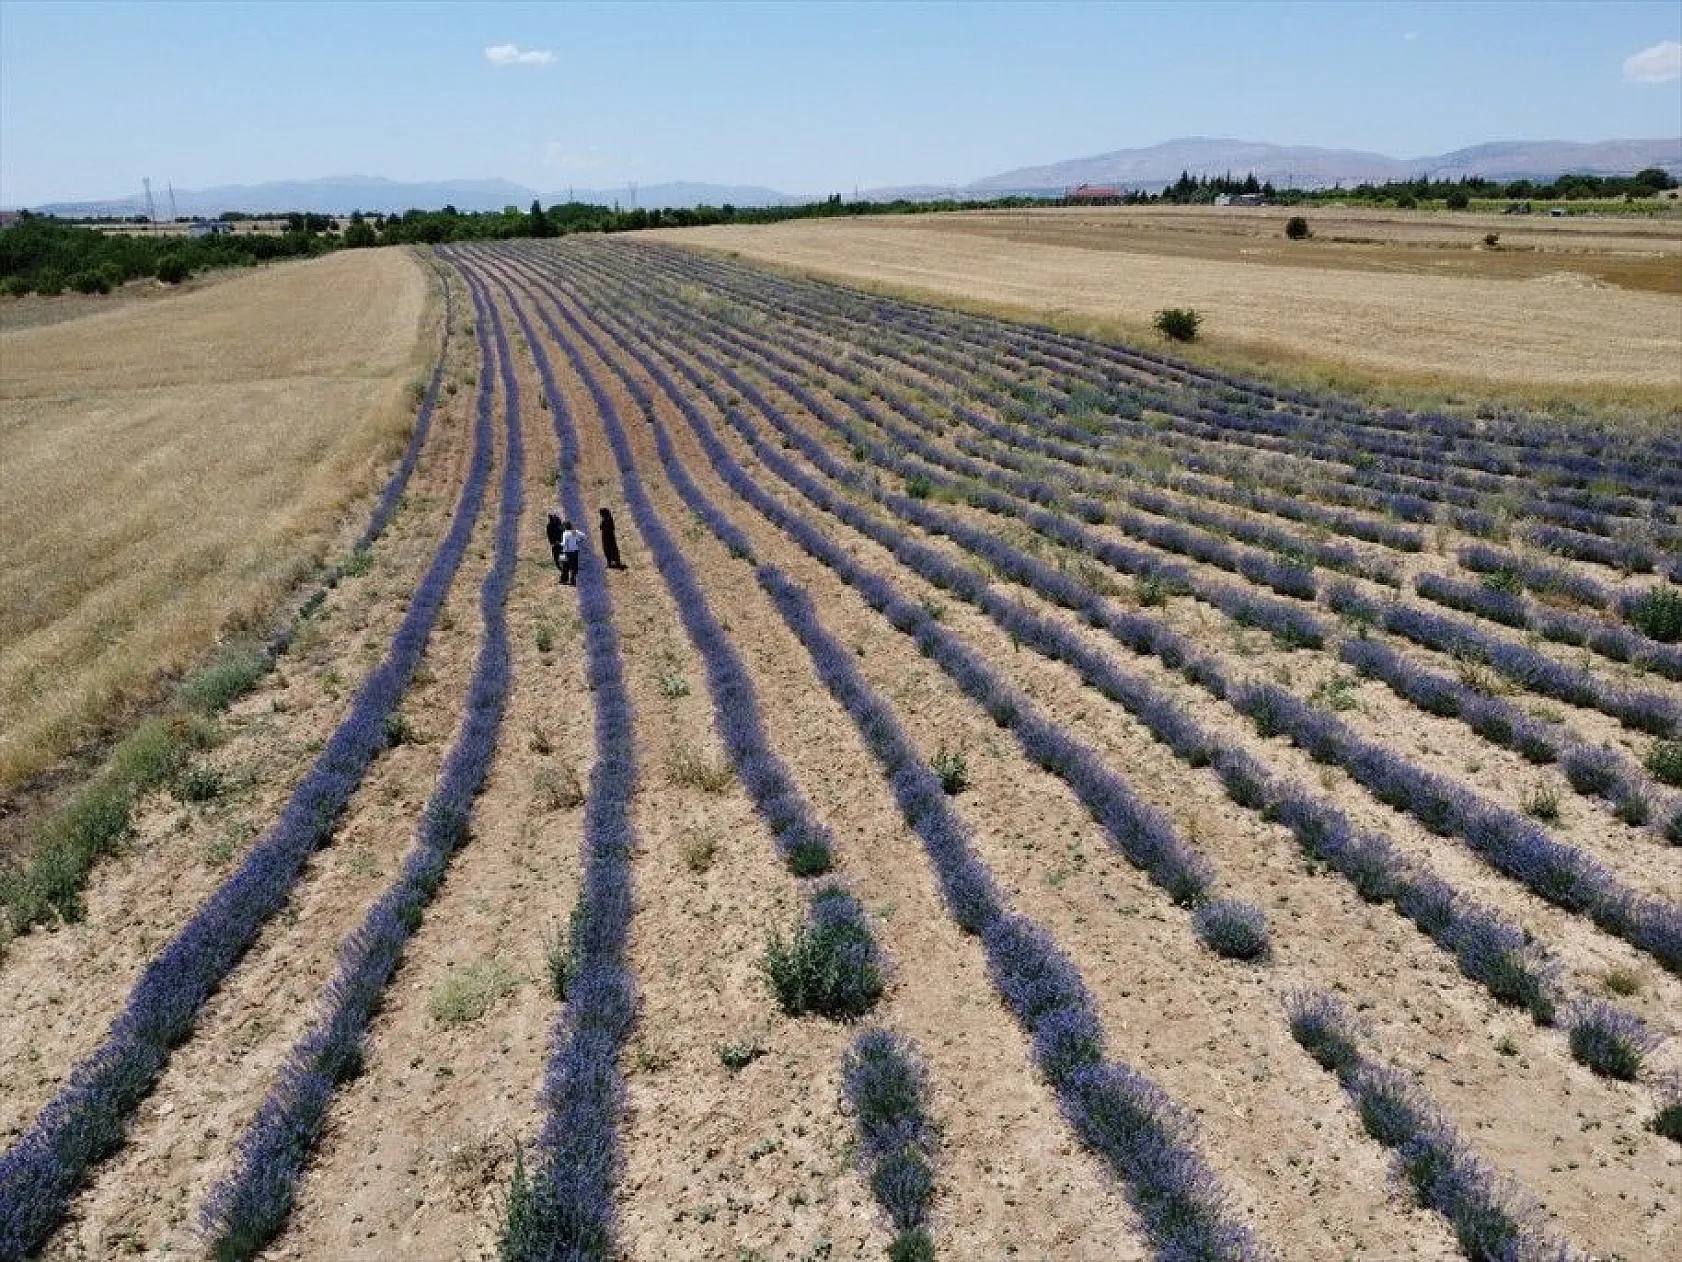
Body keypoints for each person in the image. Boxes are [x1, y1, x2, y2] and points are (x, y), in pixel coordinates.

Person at [559, 518, 585, 586]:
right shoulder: (575, 532)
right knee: (574, 567)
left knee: (564, 565)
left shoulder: (565, 533)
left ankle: (563, 579)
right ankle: (573, 581)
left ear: (565, 526)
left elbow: (564, 543)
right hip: (575, 552)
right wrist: (578, 541)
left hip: (566, 552)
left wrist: (558, 544)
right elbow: (584, 536)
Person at [545, 508, 567, 581]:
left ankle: (564, 577)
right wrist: (553, 542)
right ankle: (564, 575)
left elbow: (564, 534)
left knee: (562, 561)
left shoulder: (560, 525)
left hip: (560, 546)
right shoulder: (549, 526)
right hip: (556, 545)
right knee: (558, 562)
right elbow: (549, 536)